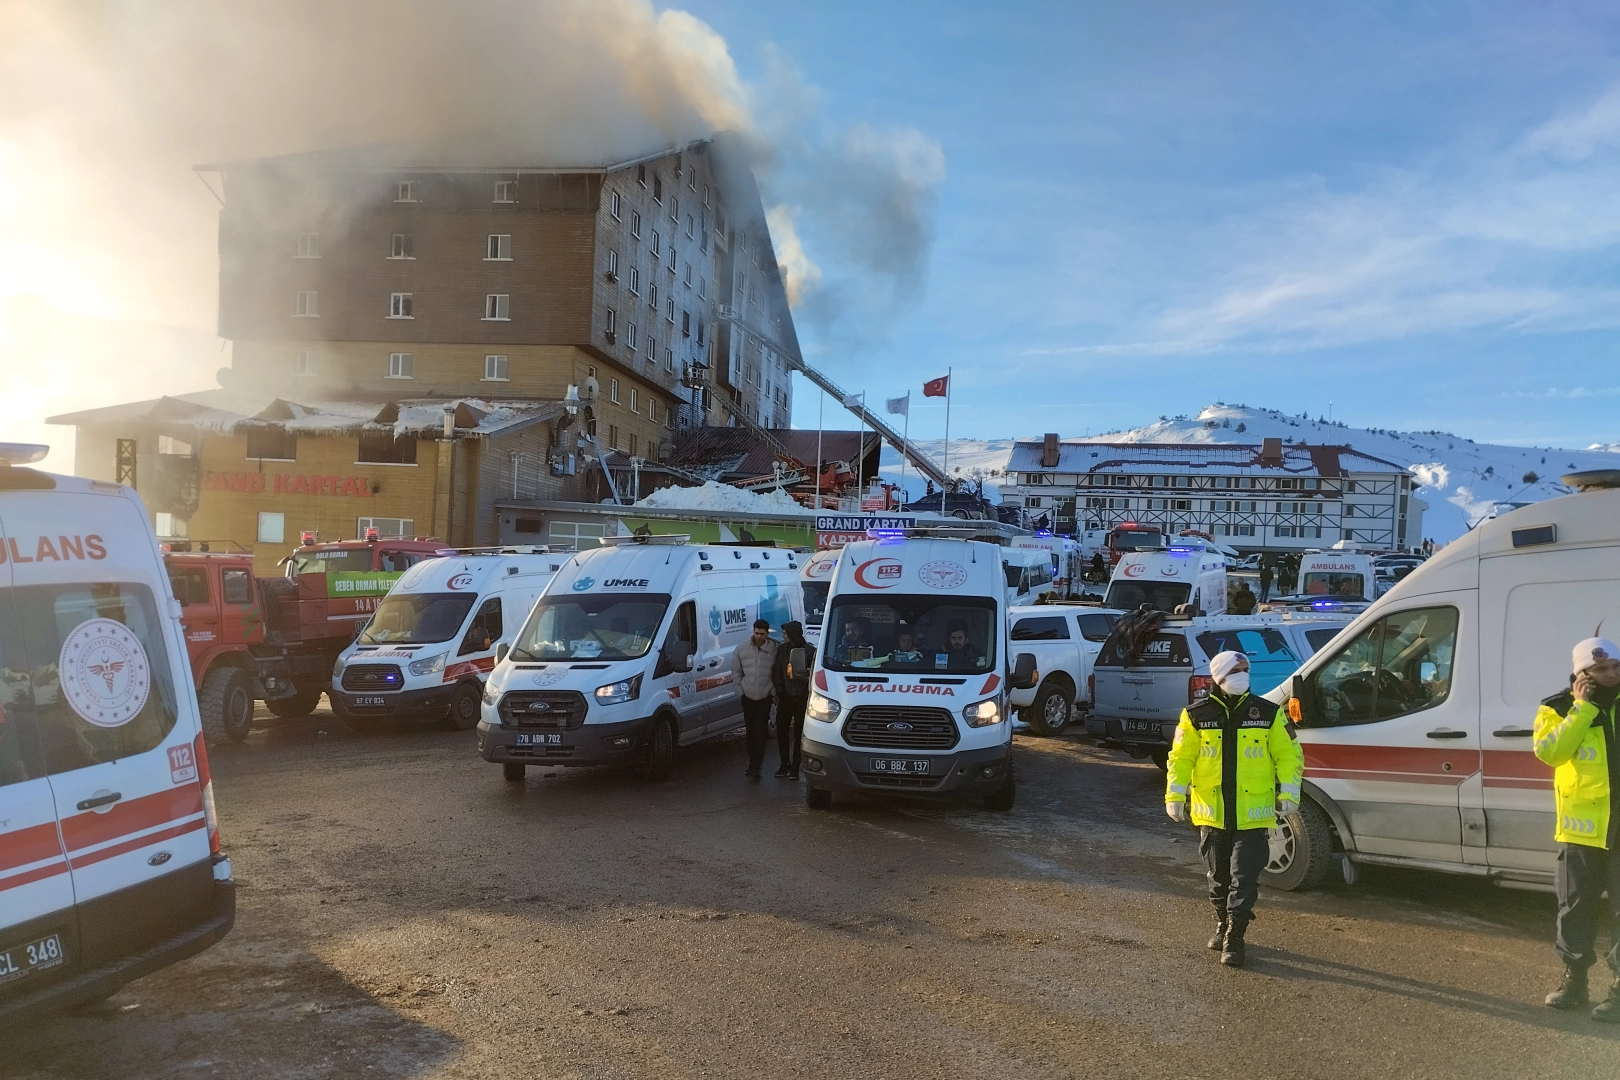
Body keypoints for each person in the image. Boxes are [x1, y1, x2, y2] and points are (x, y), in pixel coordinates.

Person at [1166, 650, 1304, 968]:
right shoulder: (1196, 714)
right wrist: (1174, 795)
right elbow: (1181, 757)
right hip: (1211, 814)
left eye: (1246, 669)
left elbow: (1290, 754)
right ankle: (1222, 922)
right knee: (1219, 878)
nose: (1243, 674)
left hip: (1253, 814)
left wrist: (1290, 792)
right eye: (1235, 670)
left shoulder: (1268, 712)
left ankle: (1236, 937)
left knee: (1245, 878)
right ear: (1219, 677)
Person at [1536, 636, 1620, 1020]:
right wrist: (1582, 710)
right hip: (1582, 831)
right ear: (1581, 675)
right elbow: (1551, 753)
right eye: (1602, 670)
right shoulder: (1555, 708)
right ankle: (1575, 981)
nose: (1612, 675)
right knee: (1575, 910)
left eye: (1616, 667)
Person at [731, 619, 778, 779]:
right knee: (750, 732)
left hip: (765, 696)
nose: (759, 637)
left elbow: (777, 672)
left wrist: (773, 692)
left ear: (767, 633)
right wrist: (740, 691)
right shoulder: (742, 649)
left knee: (760, 731)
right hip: (748, 696)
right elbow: (736, 672)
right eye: (757, 633)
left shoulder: (774, 649)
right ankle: (752, 763)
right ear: (753, 631)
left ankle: (757, 765)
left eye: (762, 634)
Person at [771, 621, 816, 779]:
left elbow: (812, 676)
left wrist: (805, 693)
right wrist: (781, 693)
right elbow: (777, 672)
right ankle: (784, 763)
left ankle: (796, 766)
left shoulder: (809, 651)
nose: (782, 636)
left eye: (785, 633)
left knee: (799, 734)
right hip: (785, 698)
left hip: (801, 699)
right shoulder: (782, 650)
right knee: (782, 731)